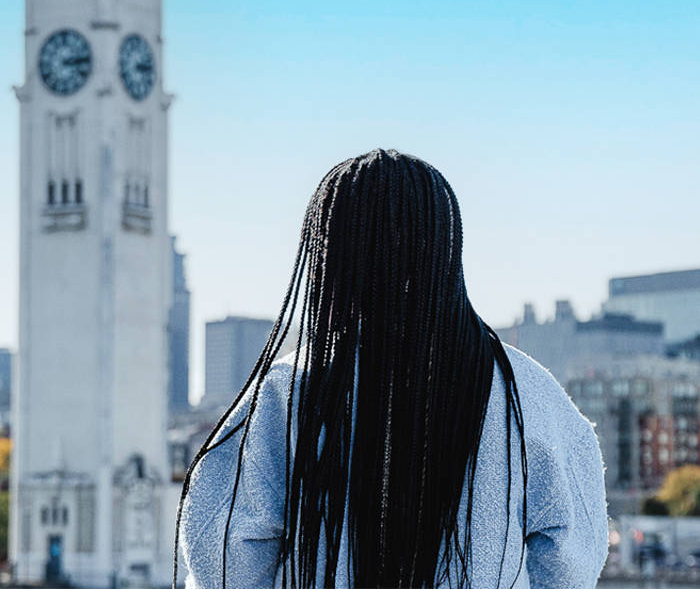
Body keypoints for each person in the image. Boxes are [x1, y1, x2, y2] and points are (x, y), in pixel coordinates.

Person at [173, 148, 609, 589]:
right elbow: (571, 559)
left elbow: (224, 558)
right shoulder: (525, 392)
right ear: (446, 246)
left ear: (331, 255)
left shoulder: (287, 393)